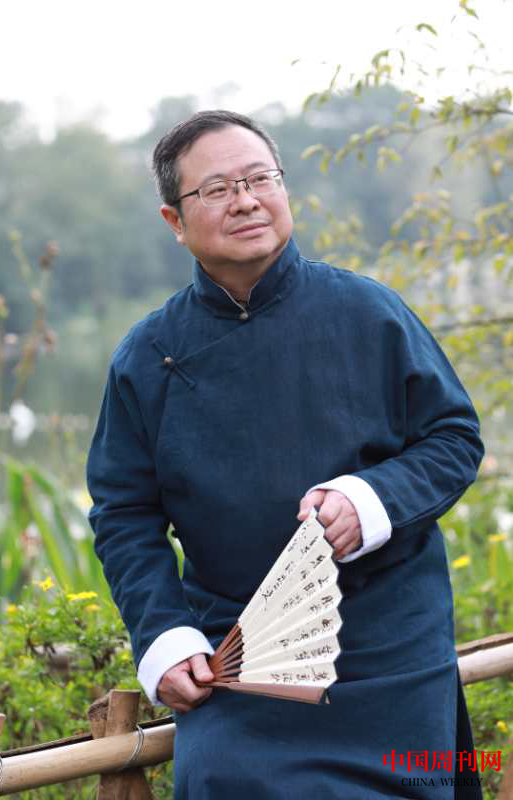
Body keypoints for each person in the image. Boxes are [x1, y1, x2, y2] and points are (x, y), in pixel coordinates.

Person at [87, 110, 484, 799]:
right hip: (240, 654)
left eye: (259, 179)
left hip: (391, 648)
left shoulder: (369, 312)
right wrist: (166, 636)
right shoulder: (148, 356)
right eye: (217, 189)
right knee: (223, 779)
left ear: (283, 188)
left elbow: (454, 438)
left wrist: (370, 500)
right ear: (174, 220)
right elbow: (124, 514)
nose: (245, 201)